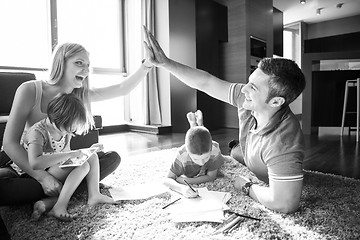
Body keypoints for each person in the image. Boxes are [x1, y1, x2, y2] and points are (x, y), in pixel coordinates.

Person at [143, 27, 306, 214]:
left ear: (276, 101)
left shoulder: (283, 143)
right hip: (247, 151)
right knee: (235, 153)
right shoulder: (247, 98)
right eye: (248, 82)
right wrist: (165, 63)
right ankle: (238, 148)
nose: (243, 89)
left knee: (237, 155)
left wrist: (247, 186)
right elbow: (206, 82)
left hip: (264, 158)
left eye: (252, 87)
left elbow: (285, 204)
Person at [0, 42, 153, 215]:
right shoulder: (30, 89)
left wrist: (146, 65)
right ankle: (60, 193)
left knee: (111, 158)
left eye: (88, 65)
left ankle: (55, 197)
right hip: (30, 168)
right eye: (79, 63)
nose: (86, 70)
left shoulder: (79, 96)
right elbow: (10, 143)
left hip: (62, 168)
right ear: (61, 62)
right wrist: (43, 178)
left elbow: (121, 89)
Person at [23, 93, 115, 221]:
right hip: (36, 173)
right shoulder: (37, 132)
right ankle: (59, 206)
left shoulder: (64, 131)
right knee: (83, 167)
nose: (70, 133)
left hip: (52, 168)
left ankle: (94, 195)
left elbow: (66, 156)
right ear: (59, 119)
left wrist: (87, 151)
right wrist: (71, 155)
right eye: (69, 129)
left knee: (92, 157)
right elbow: (35, 163)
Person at [163, 110, 225, 198]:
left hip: (209, 144)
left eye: (206, 157)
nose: (201, 162)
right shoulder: (182, 155)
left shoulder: (214, 150)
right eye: (196, 159)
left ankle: (198, 125)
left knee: (202, 137)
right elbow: (167, 180)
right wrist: (181, 188)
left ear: (211, 150)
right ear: (188, 152)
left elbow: (211, 176)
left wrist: (188, 180)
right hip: (192, 149)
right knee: (196, 136)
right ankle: (194, 125)